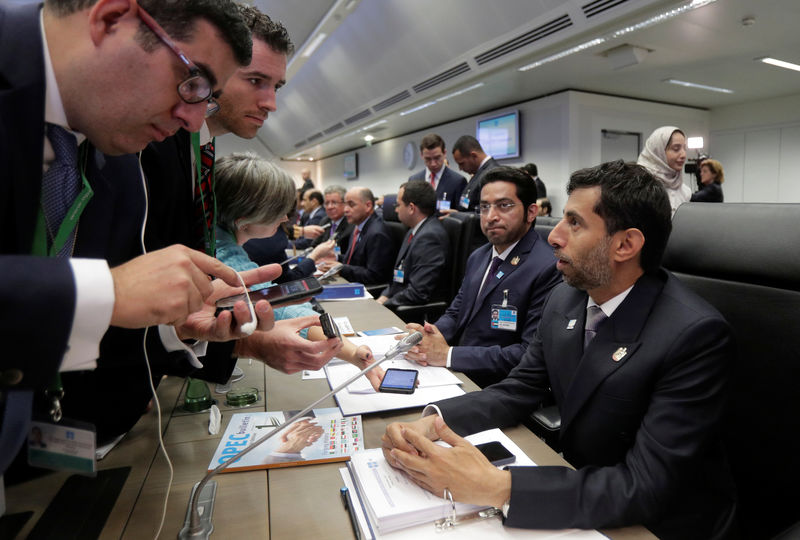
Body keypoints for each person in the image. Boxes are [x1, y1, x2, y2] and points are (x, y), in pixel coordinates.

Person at [382, 160, 735, 539]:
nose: (554, 236)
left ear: (626, 244)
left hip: (652, 522)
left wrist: (499, 487)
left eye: (575, 223)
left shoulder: (694, 335)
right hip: (575, 485)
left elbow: (645, 486)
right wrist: (431, 423)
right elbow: (520, 388)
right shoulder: (566, 298)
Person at [0, 0, 258, 473]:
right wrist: (106, 292)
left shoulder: (109, 151)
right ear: (110, 19)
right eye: (191, 82)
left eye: (208, 98)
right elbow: (90, 292)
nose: (194, 120)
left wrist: (171, 319)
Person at [213, 154, 383, 390]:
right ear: (245, 220)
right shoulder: (225, 258)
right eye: (277, 211)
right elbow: (281, 312)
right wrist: (353, 352)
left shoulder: (219, 239)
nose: (284, 218)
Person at [403, 167, 561, 388]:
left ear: (531, 212)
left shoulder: (547, 267)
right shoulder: (479, 255)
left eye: (504, 205)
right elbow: (457, 311)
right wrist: (430, 334)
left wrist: (448, 355)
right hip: (456, 370)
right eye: (485, 207)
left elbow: (527, 353)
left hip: (496, 384)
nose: (491, 216)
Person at [377, 182, 449, 310]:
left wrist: (383, 306)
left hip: (413, 315)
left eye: (398, 205)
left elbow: (417, 293)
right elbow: (398, 279)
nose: (395, 210)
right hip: (398, 301)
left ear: (411, 208)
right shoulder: (413, 230)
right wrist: (384, 297)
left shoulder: (430, 238)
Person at [316, 187, 396, 286]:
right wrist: (336, 258)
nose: (345, 210)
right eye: (345, 204)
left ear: (368, 206)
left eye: (351, 205)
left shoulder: (377, 233)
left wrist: (341, 269)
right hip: (351, 282)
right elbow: (357, 261)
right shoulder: (358, 226)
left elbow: (375, 276)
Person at [638, 126, 691, 216]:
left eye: (684, 148)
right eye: (676, 149)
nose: (683, 155)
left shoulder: (685, 191)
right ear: (658, 151)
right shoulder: (638, 185)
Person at [408, 133, 466, 212]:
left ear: (444, 153)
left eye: (437, 158)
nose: (433, 163)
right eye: (428, 159)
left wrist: (456, 214)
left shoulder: (458, 181)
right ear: (421, 155)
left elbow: (463, 214)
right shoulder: (413, 180)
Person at [450, 135, 500, 213]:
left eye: (462, 163)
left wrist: (458, 216)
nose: (460, 168)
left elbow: (485, 212)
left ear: (473, 155)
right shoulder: (478, 173)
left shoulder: (491, 174)